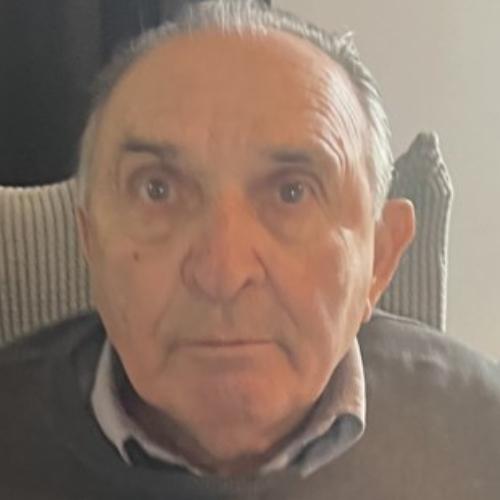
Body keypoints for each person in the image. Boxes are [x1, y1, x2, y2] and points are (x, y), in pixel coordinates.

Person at [0, 1, 499, 498]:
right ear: (91, 242)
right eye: (158, 189)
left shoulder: (482, 436)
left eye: (292, 192)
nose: (223, 273)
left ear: (380, 261)